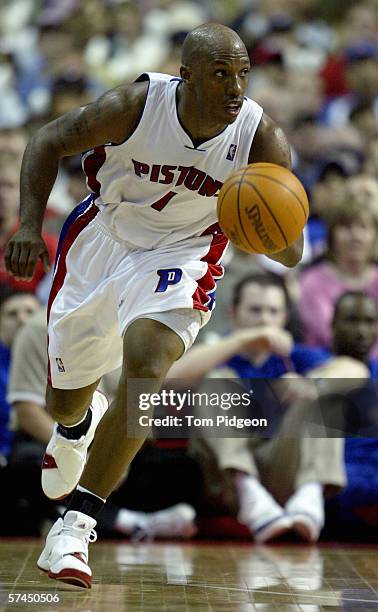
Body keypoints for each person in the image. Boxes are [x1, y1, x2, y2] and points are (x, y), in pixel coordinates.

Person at [5, 23, 303, 588]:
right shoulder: (136, 107)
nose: (236, 87)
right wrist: (26, 226)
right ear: (186, 75)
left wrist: (256, 211)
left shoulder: (260, 138)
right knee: (63, 401)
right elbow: (47, 140)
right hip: (104, 239)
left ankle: (74, 527)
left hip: (183, 255)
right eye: (220, 73)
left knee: (146, 368)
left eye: (243, 73)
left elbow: (292, 251)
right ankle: (75, 428)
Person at [169, 272, 342, 543]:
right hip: (225, 482)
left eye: (273, 311)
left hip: (279, 471)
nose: (264, 320)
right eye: (255, 310)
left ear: (284, 317)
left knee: (326, 393)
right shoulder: (217, 351)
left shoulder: (295, 356)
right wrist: (242, 340)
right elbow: (169, 378)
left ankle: (310, 498)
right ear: (233, 313)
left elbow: (356, 369)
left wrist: (311, 384)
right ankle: (249, 492)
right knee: (217, 382)